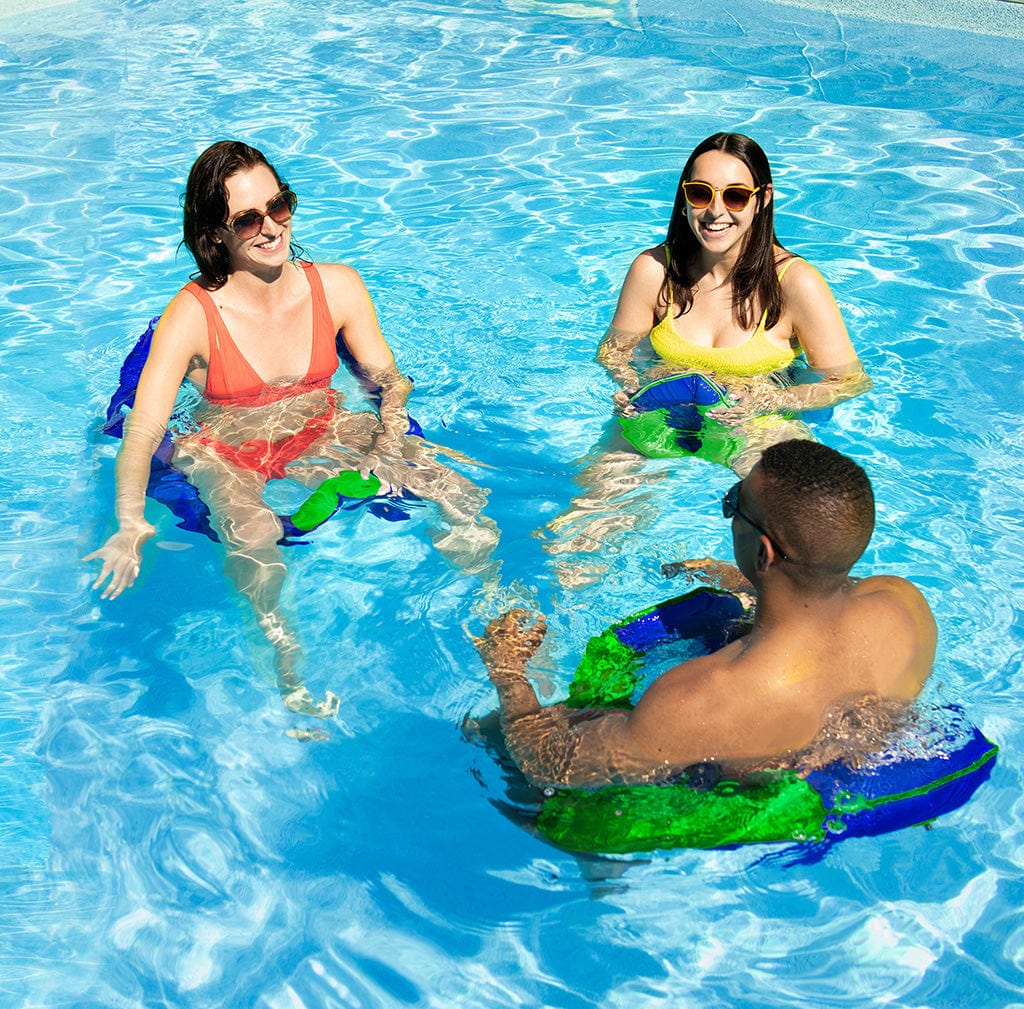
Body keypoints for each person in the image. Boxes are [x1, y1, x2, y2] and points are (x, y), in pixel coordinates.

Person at [85, 140, 498, 719]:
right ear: (215, 235)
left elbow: (391, 381)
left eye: (278, 206)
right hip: (228, 448)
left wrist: (389, 440)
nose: (270, 227)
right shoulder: (192, 315)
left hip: (323, 427)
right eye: (247, 218)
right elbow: (145, 429)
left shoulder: (338, 287)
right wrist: (129, 524)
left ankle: (499, 611)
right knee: (255, 537)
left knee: (457, 490)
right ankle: (290, 673)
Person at [478, 440, 936, 789]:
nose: (729, 508)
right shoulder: (904, 605)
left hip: (730, 782)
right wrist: (744, 580)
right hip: (858, 764)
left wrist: (509, 674)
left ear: (764, 552)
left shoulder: (695, 701)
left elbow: (554, 768)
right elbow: (818, 592)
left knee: (491, 733)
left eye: (734, 503)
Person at [545, 132, 872, 581]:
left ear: (763, 200)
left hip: (756, 427)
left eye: (736, 197)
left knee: (800, 552)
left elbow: (850, 382)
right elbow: (613, 350)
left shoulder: (796, 284)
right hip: (661, 416)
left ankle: (736, 591)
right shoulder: (654, 270)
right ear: (683, 199)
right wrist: (629, 383)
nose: (716, 212)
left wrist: (769, 400)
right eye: (701, 194)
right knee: (577, 540)